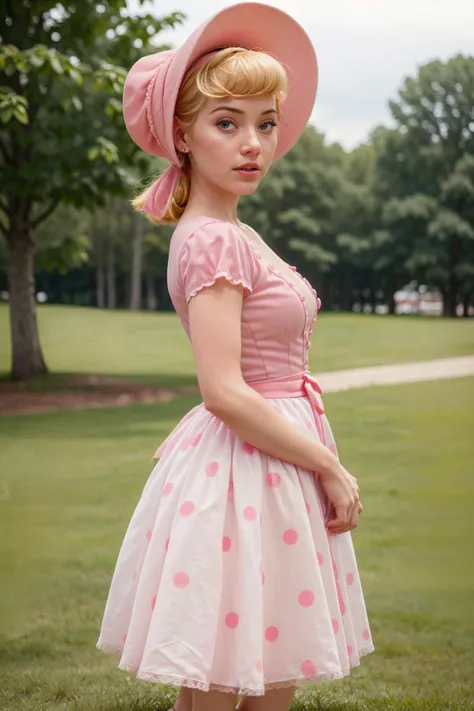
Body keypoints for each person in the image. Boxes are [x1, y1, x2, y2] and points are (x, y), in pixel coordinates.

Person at [96, 3, 375, 711]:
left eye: (265, 123)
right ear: (183, 136)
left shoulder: (230, 230)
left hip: (261, 470)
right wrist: (330, 465)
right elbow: (223, 389)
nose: (253, 143)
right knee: (230, 689)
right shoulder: (212, 239)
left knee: (250, 680)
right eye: (228, 123)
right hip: (247, 473)